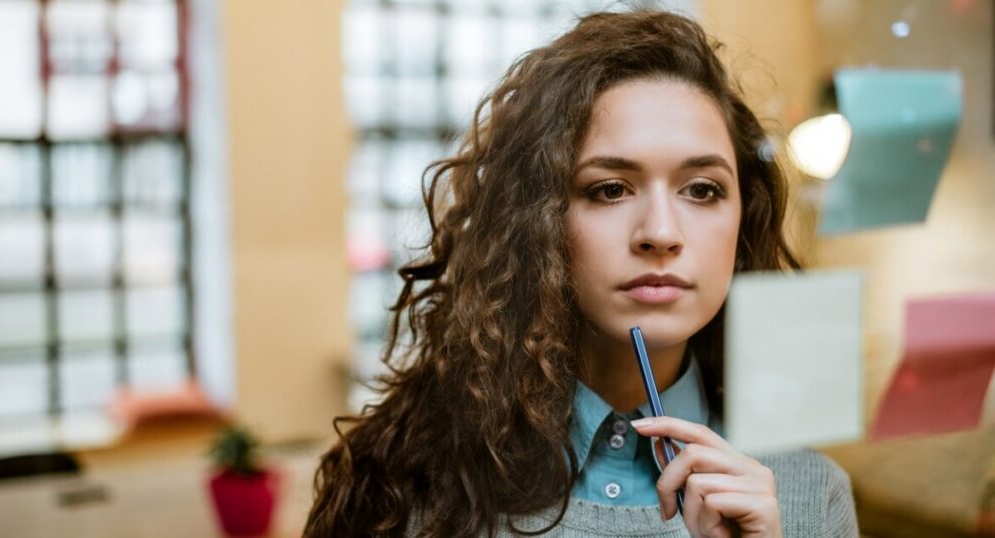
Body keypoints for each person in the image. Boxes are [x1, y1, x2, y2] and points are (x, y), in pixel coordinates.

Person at [304, 9, 858, 538]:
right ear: (538, 223)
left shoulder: (809, 498)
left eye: (702, 190)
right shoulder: (411, 488)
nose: (660, 232)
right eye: (610, 189)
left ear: (743, 222)